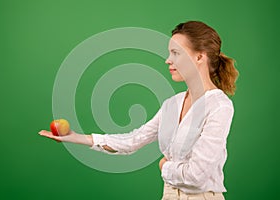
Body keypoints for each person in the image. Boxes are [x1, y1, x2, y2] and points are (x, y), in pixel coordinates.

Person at [39, 21, 239, 200]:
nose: (167, 60)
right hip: (169, 195)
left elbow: (196, 176)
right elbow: (132, 141)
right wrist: (77, 137)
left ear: (199, 57)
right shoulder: (172, 104)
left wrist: (165, 167)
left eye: (176, 53)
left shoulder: (219, 106)